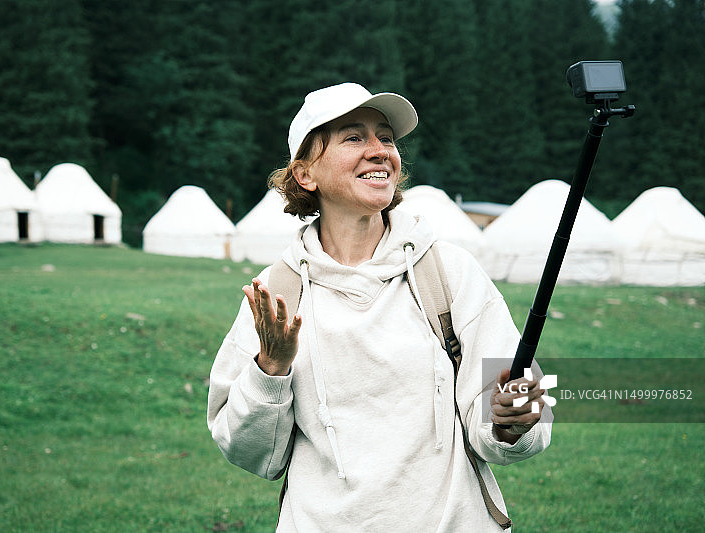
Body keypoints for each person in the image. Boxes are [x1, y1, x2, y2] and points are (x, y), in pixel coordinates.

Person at [207, 82, 553, 532]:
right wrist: (270, 368)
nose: (380, 151)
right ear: (305, 174)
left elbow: (524, 408)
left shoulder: (448, 272)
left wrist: (510, 422)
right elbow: (246, 450)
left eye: (386, 138)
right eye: (354, 137)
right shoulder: (277, 292)